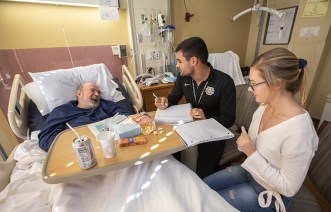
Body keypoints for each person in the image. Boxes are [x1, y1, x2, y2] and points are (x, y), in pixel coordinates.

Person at [203, 48, 319, 211]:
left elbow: (288, 188)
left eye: (254, 84)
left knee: (207, 205)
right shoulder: (264, 106)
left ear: (277, 84)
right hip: (251, 171)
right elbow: (257, 147)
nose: (249, 89)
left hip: (269, 191)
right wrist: (247, 147)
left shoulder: (299, 132)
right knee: (201, 188)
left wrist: (251, 153)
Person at [155, 37, 236, 178]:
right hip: (188, 128)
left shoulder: (224, 82)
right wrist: (165, 101)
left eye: (179, 61)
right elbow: (174, 97)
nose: (177, 65)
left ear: (193, 61)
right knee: (172, 164)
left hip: (213, 132)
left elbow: (229, 119)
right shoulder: (183, 78)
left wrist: (207, 118)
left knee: (201, 177)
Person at [38, 82, 133, 152]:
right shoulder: (62, 111)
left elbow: (127, 116)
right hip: (81, 150)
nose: (97, 94)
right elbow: (46, 139)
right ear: (79, 93)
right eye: (92, 90)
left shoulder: (105, 105)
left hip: (110, 146)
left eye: (99, 92)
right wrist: (73, 147)